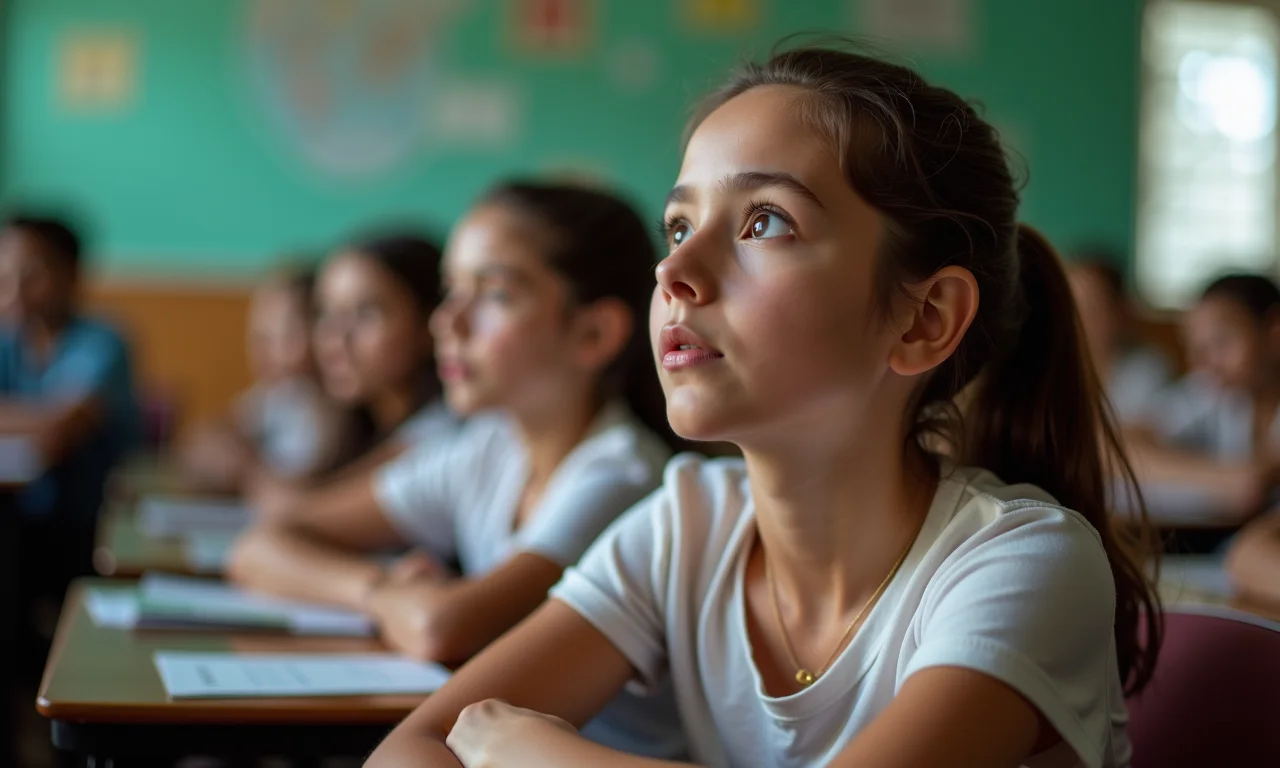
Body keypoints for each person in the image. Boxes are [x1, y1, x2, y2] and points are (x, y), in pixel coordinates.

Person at [365, 42, 1160, 768]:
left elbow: (479, 739)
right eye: (679, 225)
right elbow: (415, 748)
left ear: (924, 319)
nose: (673, 271)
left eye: (764, 221)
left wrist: (534, 753)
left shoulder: (1022, 565)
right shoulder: (687, 527)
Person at [230, 182, 685, 759]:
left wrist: (415, 605)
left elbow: (445, 628)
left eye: (494, 295)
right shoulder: (488, 448)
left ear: (593, 333)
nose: (447, 321)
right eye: (450, 291)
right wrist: (382, 592)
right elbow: (263, 542)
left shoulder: (621, 473)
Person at [246, 233, 457, 516]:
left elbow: (295, 510)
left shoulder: (440, 437)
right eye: (326, 312)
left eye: (366, 313)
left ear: (428, 325)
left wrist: (249, 471)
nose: (336, 338)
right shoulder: (353, 425)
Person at [0, 213, 140, 579]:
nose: (15, 290)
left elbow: (61, 428)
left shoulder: (103, 342)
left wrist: (42, 419)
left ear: (72, 274)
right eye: (4, 276)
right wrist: (39, 417)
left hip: (89, 525)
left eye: (32, 275)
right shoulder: (7, 339)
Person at [1125, 274, 1280, 532]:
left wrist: (1243, 481)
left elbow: (1256, 483)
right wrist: (1227, 480)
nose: (1204, 361)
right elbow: (1117, 446)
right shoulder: (1216, 389)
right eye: (1196, 346)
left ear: (1274, 330)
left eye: (1221, 340)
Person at [179, 266, 348, 492]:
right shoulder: (277, 398)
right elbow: (202, 436)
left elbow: (308, 484)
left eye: (283, 335)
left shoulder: (333, 404)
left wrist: (249, 470)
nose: (264, 350)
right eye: (259, 336)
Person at [1066, 254, 1170, 423]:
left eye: (1094, 307)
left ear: (1120, 309)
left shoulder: (1147, 369)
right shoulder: (1052, 370)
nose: (1082, 320)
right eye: (1074, 308)